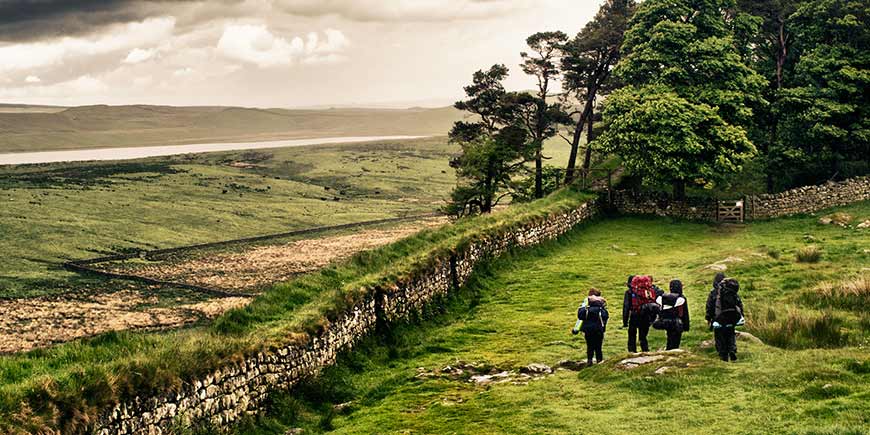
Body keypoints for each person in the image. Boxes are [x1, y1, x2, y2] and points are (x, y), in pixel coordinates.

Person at [707, 277, 745, 361]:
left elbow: (710, 306)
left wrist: (708, 317)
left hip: (719, 318)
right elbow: (739, 303)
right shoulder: (731, 291)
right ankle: (732, 350)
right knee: (731, 333)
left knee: (720, 336)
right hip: (732, 317)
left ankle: (723, 355)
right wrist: (741, 315)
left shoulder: (714, 292)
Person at [653, 280, 690, 350]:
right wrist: (686, 326)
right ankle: (673, 350)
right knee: (676, 340)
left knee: (669, 337)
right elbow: (685, 313)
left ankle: (669, 349)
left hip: (666, 322)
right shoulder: (681, 298)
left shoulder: (665, 297)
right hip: (677, 322)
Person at [576, 288, 609, 366]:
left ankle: (589, 361)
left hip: (588, 331)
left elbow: (580, 315)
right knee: (598, 347)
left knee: (590, 346)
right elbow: (606, 316)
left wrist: (584, 305)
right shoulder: (601, 310)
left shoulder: (587, 310)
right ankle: (599, 361)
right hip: (598, 330)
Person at [627, 275, 657, 353]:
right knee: (643, 336)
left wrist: (625, 320)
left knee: (632, 334)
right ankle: (645, 350)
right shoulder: (650, 291)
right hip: (646, 316)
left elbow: (626, 307)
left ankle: (632, 351)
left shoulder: (631, 291)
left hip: (635, 315)